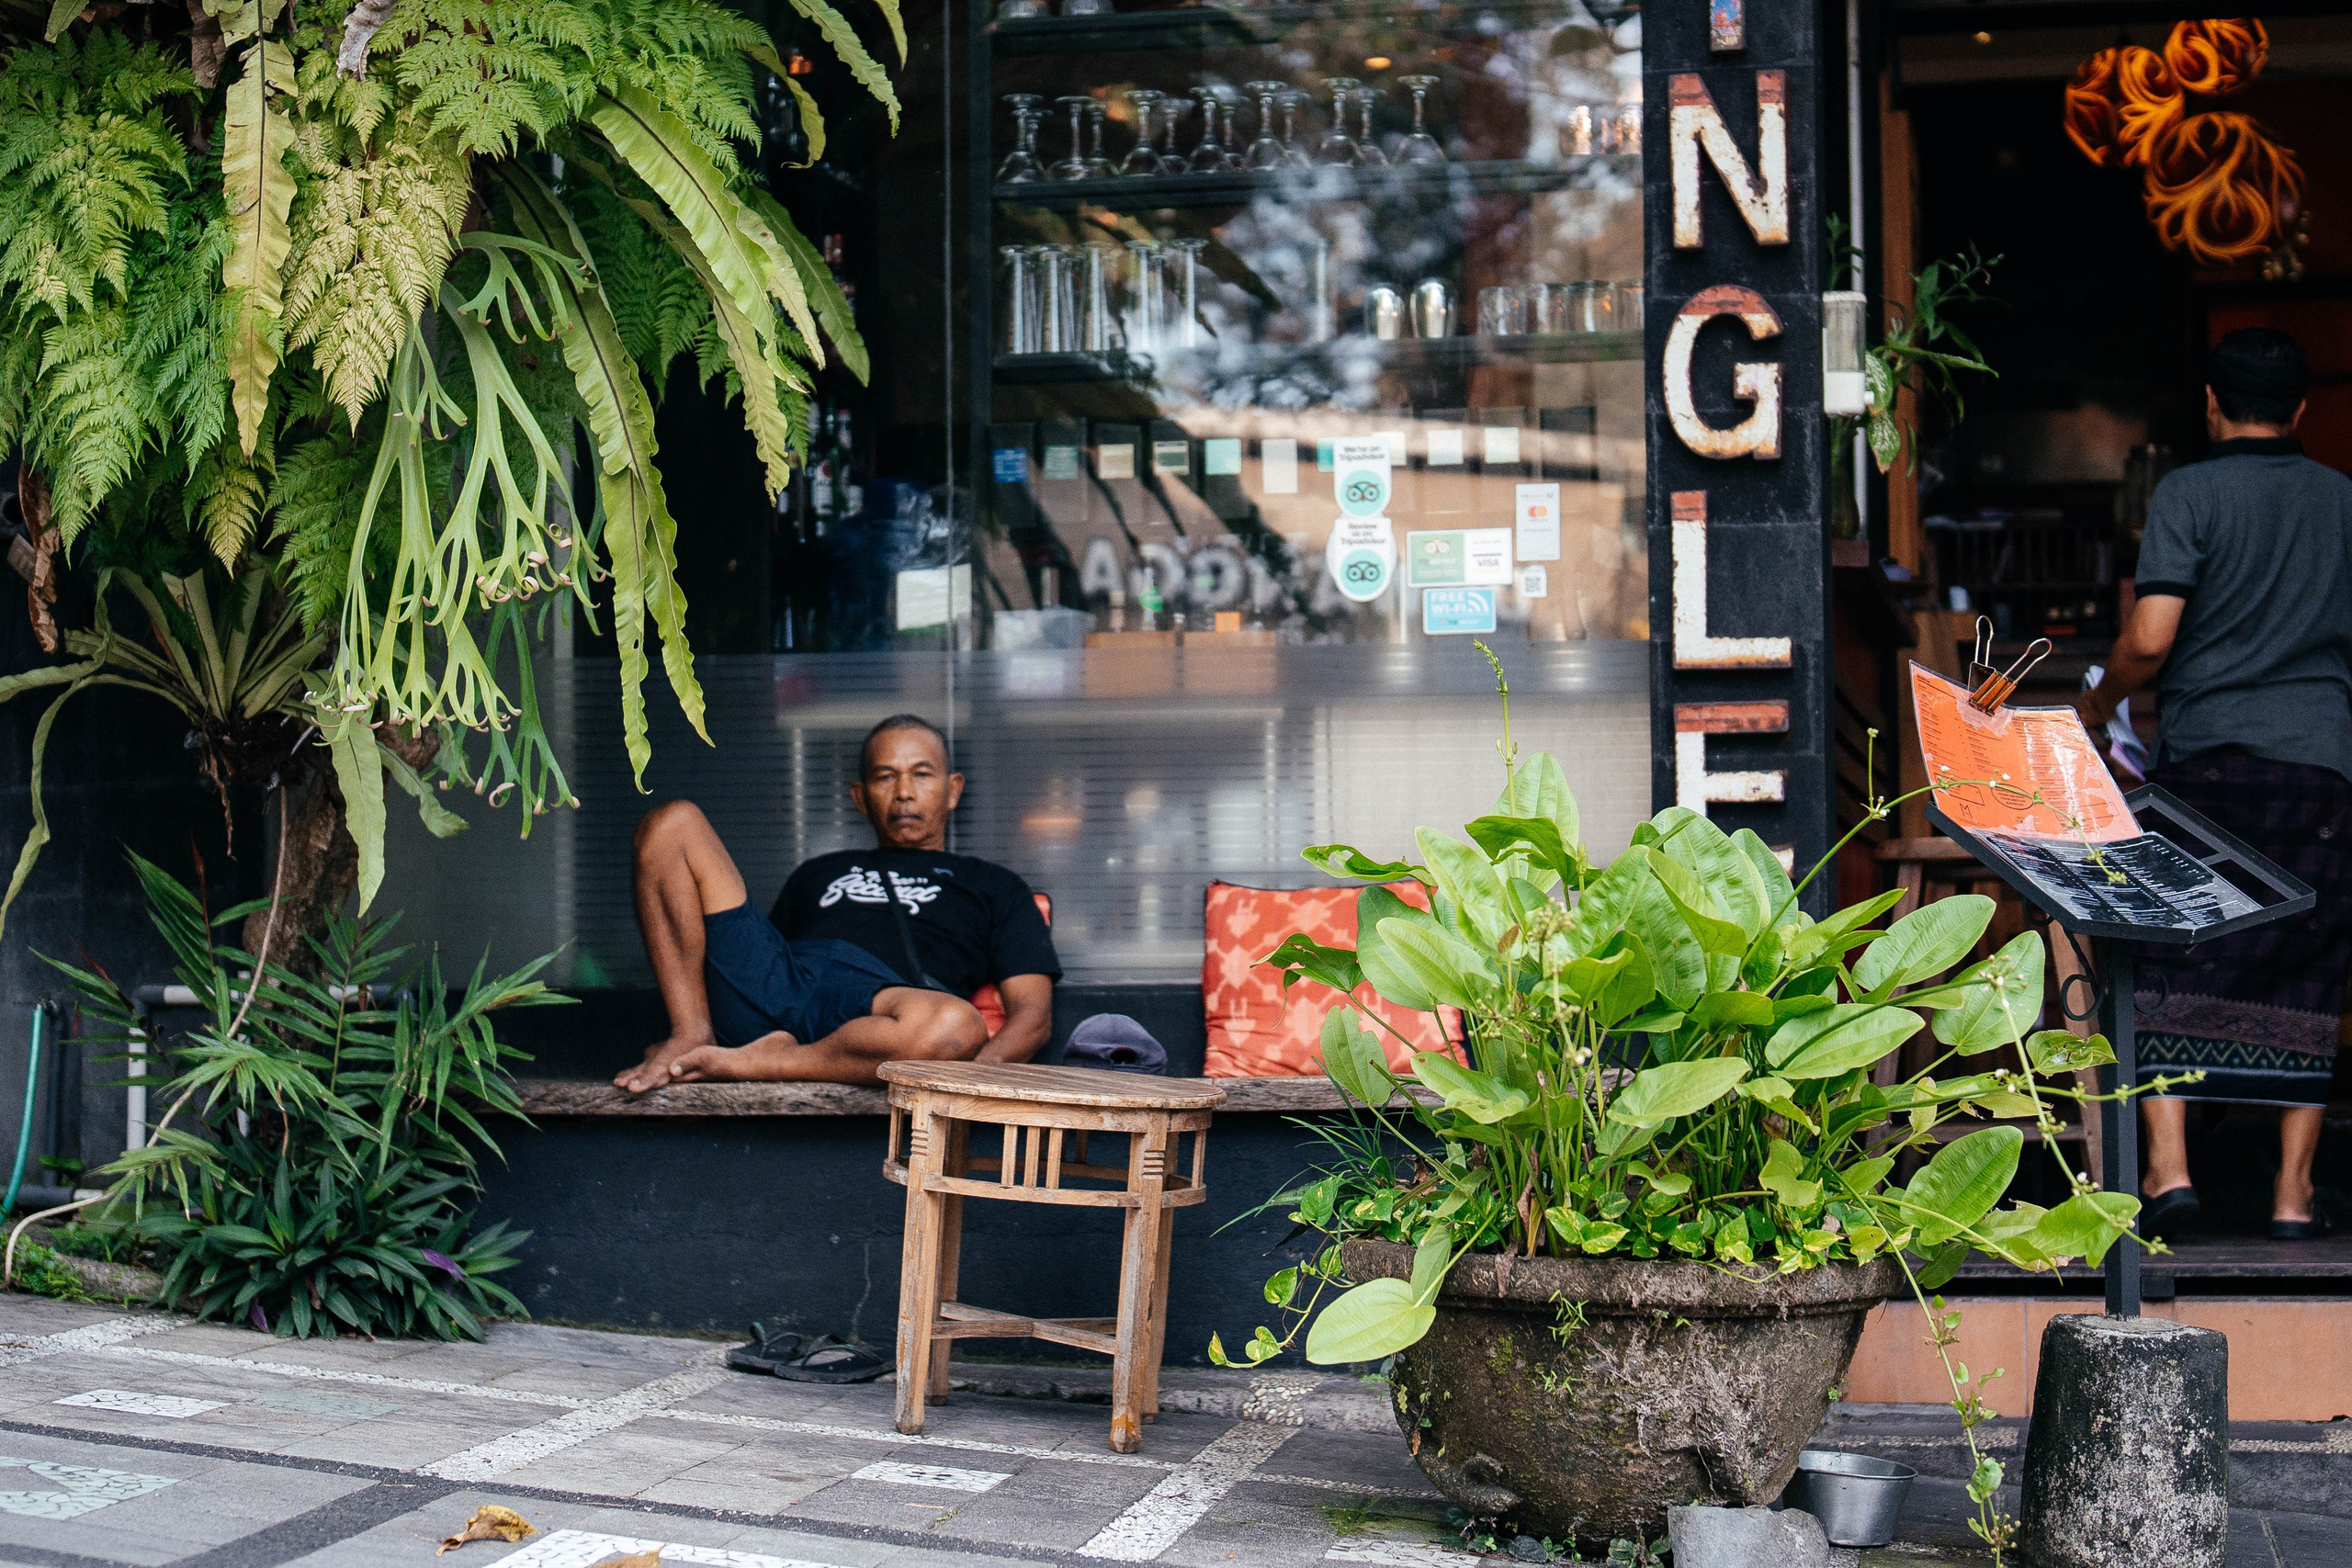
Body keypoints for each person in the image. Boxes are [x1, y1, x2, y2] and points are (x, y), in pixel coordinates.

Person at [2075, 327, 2352, 1240]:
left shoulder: (2189, 493)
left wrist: (2098, 698)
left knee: (2160, 949)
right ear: (2301, 411)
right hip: (2318, 768)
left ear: (2208, 402)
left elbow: (2149, 638)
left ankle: (2169, 1172)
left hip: (2210, 766)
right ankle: (2291, 1198)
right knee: (2309, 970)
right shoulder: (2340, 501)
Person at [615, 714, 1060, 1091]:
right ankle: (691, 1032)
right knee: (671, 823)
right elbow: (758, 952)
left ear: (953, 789)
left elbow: (1033, 1016)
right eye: (885, 776)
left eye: (922, 774)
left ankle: (769, 1062)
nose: (904, 792)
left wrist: (974, 1080)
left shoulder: (995, 886)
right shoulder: (818, 871)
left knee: (956, 1029)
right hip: (782, 979)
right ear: (860, 797)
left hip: (879, 1009)